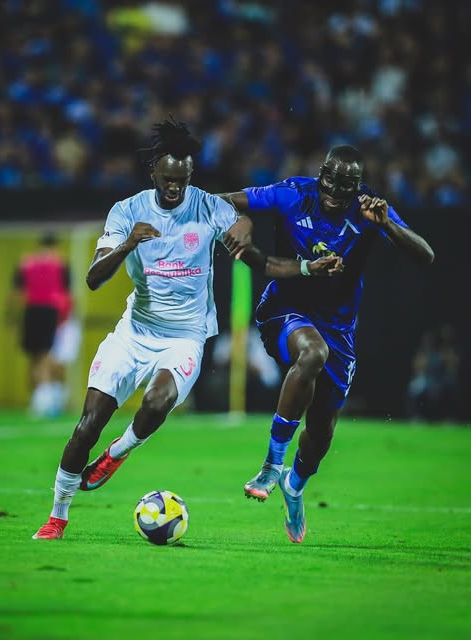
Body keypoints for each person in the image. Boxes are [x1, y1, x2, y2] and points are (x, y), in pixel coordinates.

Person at [32, 117, 347, 539]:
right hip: (134, 332)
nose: (175, 187)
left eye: (182, 179)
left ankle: (118, 452)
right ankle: (57, 517)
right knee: (88, 424)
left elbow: (260, 260)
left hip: (185, 337)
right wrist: (128, 244)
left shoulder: (207, 207)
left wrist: (305, 266)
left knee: (157, 401)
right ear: (154, 174)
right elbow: (93, 278)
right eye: (168, 179)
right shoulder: (127, 211)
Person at [220, 144, 435, 543]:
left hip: (339, 329)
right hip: (285, 310)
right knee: (311, 352)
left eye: (346, 185)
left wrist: (387, 225)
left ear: (358, 186)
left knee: (321, 434)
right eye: (330, 181)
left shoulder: (369, 211)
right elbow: (221, 200)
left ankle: (294, 485)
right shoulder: (292, 194)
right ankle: (271, 465)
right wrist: (243, 220)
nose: (335, 192)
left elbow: (426, 255)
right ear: (320, 175)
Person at [11, 232, 72, 416]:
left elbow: (17, 293)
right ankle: (44, 399)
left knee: (33, 356)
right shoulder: (60, 263)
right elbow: (68, 293)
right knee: (45, 355)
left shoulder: (26, 262)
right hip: (51, 311)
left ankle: (37, 398)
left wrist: (14, 319)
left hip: (31, 310)